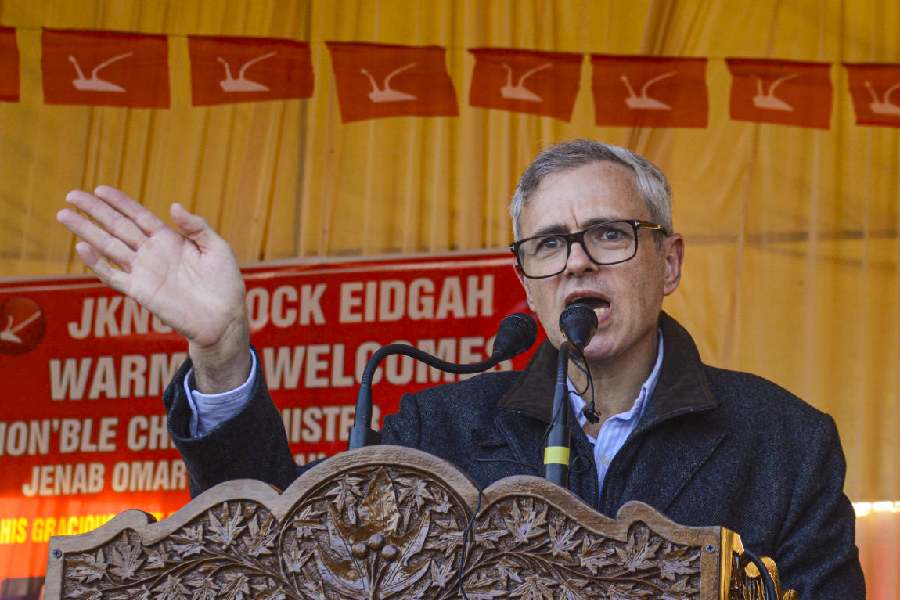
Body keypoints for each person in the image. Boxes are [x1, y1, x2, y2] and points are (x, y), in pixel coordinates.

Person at [57, 139, 865, 597]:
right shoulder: (436, 429)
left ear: (670, 263)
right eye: (549, 244)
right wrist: (222, 351)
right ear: (528, 282)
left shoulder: (784, 442)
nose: (577, 263)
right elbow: (285, 555)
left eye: (609, 235)